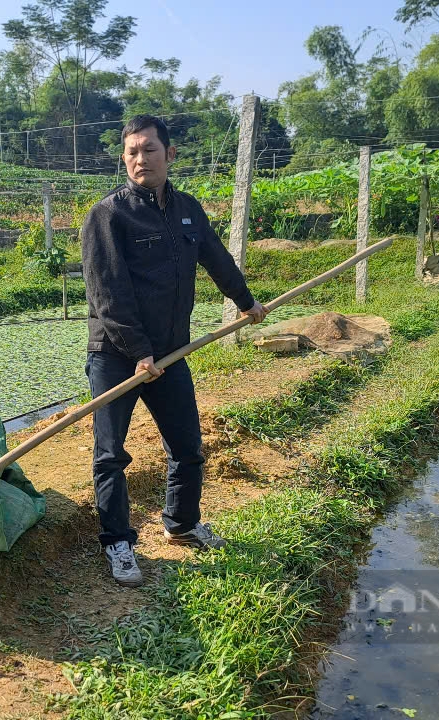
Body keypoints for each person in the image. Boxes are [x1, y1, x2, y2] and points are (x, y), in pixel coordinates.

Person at [81, 114, 268, 587]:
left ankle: (181, 523)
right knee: (111, 453)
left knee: (186, 446)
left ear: (170, 154)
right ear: (124, 159)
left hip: (170, 351)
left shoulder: (188, 210)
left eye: (148, 150)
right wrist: (139, 351)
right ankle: (119, 542)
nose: (140, 159)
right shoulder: (109, 215)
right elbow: (108, 295)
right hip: (117, 355)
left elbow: (216, 259)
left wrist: (246, 302)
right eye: (132, 152)